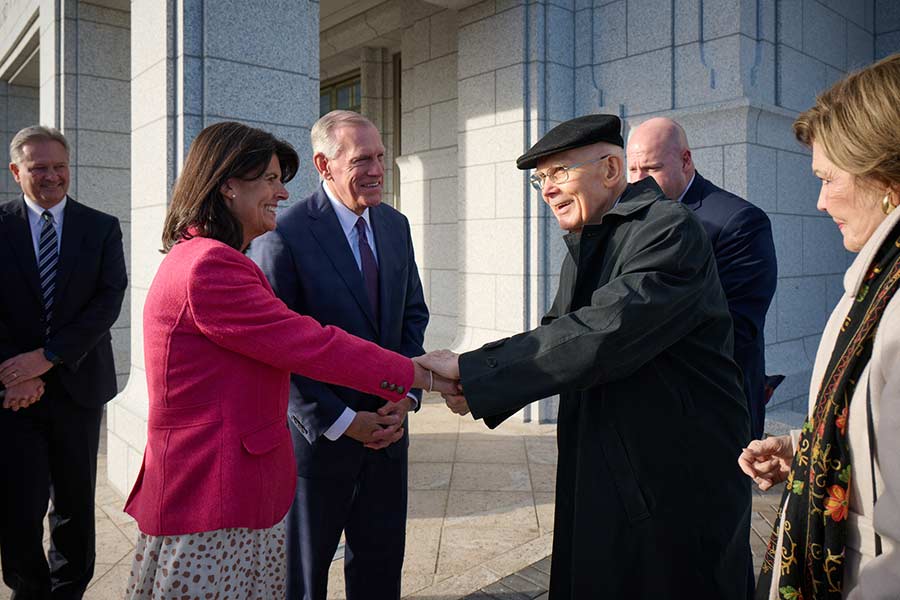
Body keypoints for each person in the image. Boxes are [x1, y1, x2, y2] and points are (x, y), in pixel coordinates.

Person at [416, 114, 752, 599]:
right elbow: (559, 332)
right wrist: (476, 381)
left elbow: (603, 333)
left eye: (559, 173)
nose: (548, 190)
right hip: (615, 470)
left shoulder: (669, 230)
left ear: (612, 169)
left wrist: (474, 372)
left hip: (670, 484)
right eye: (540, 180)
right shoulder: (593, 237)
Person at [122, 121, 450, 599]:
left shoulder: (203, 255)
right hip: (214, 497)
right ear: (228, 185)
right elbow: (308, 344)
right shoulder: (213, 265)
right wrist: (423, 376)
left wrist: (404, 397)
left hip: (228, 493)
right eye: (271, 179)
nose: (282, 191)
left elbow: (405, 315)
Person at [739, 53, 900, 600]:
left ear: (884, 175)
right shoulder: (879, 280)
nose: (819, 200)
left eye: (829, 179)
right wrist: (804, 450)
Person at [248, 111, 427, 600]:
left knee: (381, 569)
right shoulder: (281, 237)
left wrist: (405, 398)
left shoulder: (395, 225)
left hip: (389, 436)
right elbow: (274, 352)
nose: (376, 169)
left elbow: (413, 318)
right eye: (362, 159)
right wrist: (345, 420)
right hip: (318, 445)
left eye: (381, 157)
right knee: (304, 581)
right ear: (324, 164)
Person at [0, 126, 128, 598]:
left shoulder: (101, 227)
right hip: (12, 394)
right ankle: (26, 589)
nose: (52, 176)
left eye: (59, 167)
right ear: (17, 172)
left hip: (78, 387)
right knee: (19, 503)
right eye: (39, 168)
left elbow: (107, 301)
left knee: (74, 503)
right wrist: (15, 372)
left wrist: (47, 359)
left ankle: (68, 589)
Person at [627, 117, 777, 441]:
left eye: (650, 169)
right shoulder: (632, 218)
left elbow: (738, 327)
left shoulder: (739, 222)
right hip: (650, 408)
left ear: (686, 160)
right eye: (632, 169)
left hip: (714, 409)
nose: (638, 182)